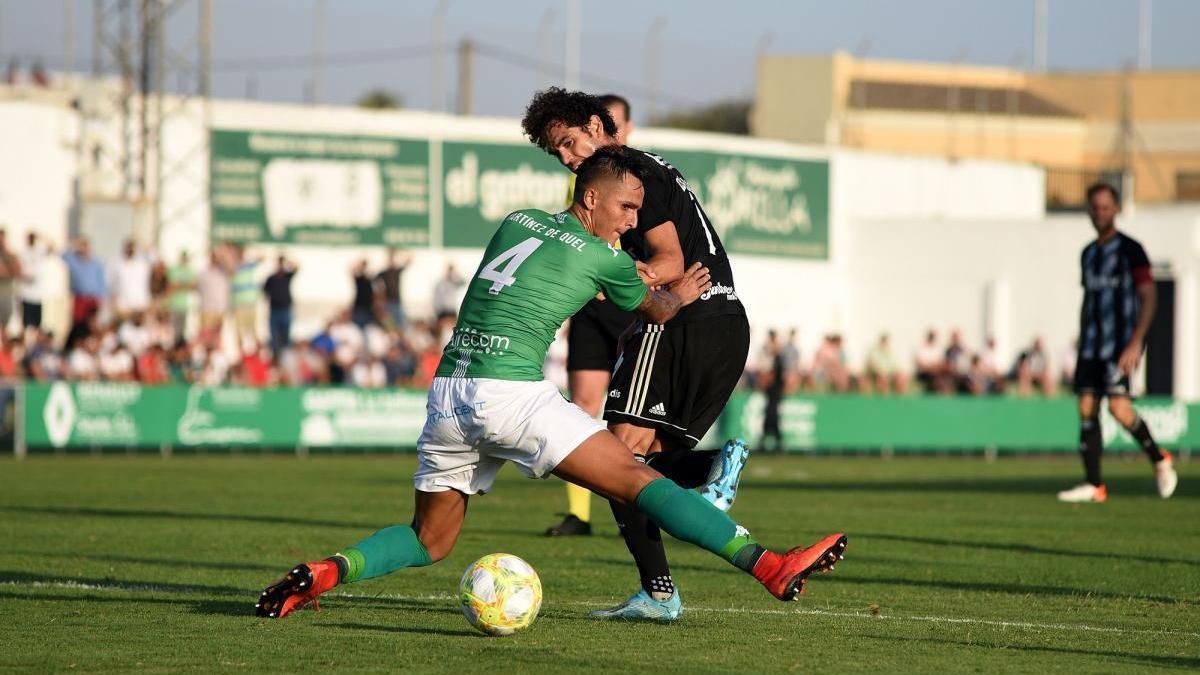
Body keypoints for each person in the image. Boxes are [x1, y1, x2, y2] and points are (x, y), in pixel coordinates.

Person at [255, 147, 846, 620]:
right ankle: (768, 564)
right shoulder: (607, 259)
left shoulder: (516, 222)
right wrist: (680, 293)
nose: (634, 220)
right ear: (590, 198)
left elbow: (548, 273)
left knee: (430, 541)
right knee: (636, 477)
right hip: (509, 393)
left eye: (639, 211)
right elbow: (657, 309)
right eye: (627, 207)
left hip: (448, 395)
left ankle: (328, 572)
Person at [523, 88, 753, 621]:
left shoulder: (628, 175)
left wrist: (619, 290)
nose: (567, 157)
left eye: (569, 142)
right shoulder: (647, 169)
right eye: (556, 153)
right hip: (722, 323)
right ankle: (660, 586)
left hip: (681, 319)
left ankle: (661, 588)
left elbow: (669, 259)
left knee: (614, 463)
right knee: (639, 472)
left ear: (596, 126)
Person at [546, 94, 639, 538]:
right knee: (583, 406)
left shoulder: (642, 175)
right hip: (589, 305)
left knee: (629, 416)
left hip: (625, 304)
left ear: (625, 128)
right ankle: (579, 515)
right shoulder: (581, 181)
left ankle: (631, 507)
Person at [1058, 183, 1177, 503]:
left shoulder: (1131, 250)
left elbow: (1149, 297)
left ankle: (1160, 459)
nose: (1100, 213)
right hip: (1090, 346)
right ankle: (1094, 484)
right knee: (1085, 405)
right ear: (1089, 210)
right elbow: (1089, 300)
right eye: (1095, 208)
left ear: (1116, 210)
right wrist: (1081, 337)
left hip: (1120, 345)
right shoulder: (1088, 253)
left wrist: (1137, 342)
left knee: (1119, 409)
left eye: (1106, 207)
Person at [61, 237, 106, 332]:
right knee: (78, 324)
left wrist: (101, 298)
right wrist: (74, 247)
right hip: (79, 298)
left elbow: (102, 282)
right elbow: (62, 254)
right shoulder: (74, 261)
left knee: (91, 325)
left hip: (92, 298)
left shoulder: (96, 263)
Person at [108, 239, 153, 321]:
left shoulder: (142, 264)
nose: (130, 249)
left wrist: (141, 244)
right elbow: (111, 283)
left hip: (140, 304)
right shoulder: (117, 264)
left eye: (132, 247)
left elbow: (153, 257)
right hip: (123, 306)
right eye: (128, 247)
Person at [263, 255, 297, 355]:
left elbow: (297, 267)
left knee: (286, 336)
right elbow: (265, 291)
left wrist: (287, 260)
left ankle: (286, 356)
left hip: (285, 310)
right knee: (274, 338)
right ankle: (276, 357)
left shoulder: (287, 276)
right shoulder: (271, 278)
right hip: (274, 310)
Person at [230, 244, 261, 350]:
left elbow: (262, 257)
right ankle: (241, 356)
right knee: (239, 332)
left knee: (254, 331)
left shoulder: (249, 265)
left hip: (250, 303)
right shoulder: (232, 266)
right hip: (238, 304)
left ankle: (256, 354)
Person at [19, 232, 48, 332]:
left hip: (37, 295)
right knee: (25, 324)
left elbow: (53, 247)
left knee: (37, 325)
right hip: (25, 294)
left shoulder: (39, 251)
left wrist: (41, 237)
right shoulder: (23, 252)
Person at [375, 248, 411, 329]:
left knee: (401, 324)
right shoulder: (384, 273)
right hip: (388, 302)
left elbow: (409, 261)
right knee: (389, 325)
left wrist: (402, 253)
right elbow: (375, 283)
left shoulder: (397, 271)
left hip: (397, 302)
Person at [166, 251, 197, 340]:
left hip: (185, 305)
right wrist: (184, 285)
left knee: (183, 330)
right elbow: (172, 286)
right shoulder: (174, 269)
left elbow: (192, 286)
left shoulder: (189, 271)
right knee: (174, 329)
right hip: (174, 304)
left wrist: (180, 285)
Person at [0, 229, 21, 333]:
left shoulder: (10, 256)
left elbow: (17, 271)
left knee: (5, 328)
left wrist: (5, 252)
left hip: (6, 296)